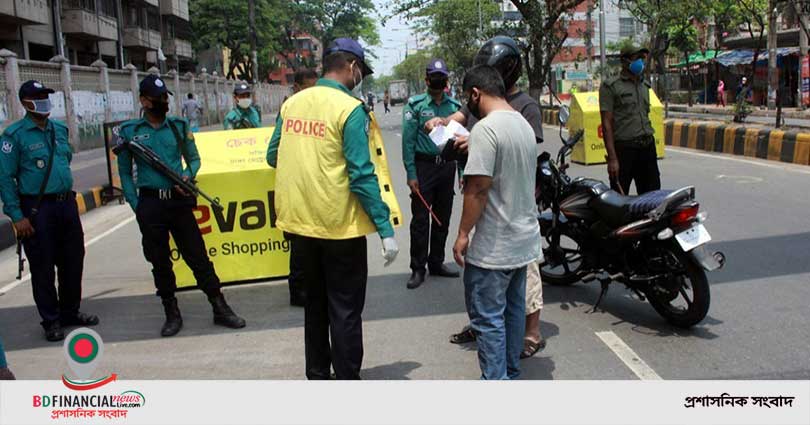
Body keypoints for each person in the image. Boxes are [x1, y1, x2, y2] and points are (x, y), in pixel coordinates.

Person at [266, 38, 399, 380]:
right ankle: (347, 380)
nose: (360, 78)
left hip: (300, 226)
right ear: (351, 66)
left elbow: (272, 156)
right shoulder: (349, 109)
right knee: (345, 309)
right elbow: (361, 174)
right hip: (340, 227)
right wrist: (385, 229)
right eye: (360, 72)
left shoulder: (292, 104)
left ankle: (318, 375)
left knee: (315, 305)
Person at [427, 36, 546, 359]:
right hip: (493, 211)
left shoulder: (525, 109)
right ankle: (503, 354)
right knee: (501, 298)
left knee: (511, 291)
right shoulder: (494, 110)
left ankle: (528, 335)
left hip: (510, 202)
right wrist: (442, 123)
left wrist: (462, 234)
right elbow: (459, 119)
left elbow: (488, 179)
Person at [116, 74, 246, 337]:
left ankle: (219, 306)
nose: (164, 102)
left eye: (166, 98)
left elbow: (195, 159)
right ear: (144, 100)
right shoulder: (130, 132)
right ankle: (171, 312)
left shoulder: (178, 125)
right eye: (158, 98)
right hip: (151, 203)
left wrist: (187, 176)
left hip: (179, 201)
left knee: (198, 256)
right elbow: (125, 174)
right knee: (160, 261)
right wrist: (135, 204)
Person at [452, 65, 541, 380]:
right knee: (514, 312)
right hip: (523, 243)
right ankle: (509, 375)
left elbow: (476, 189)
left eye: (468, 98)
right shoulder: (523, 125)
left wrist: (463, 234)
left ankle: (496, 382)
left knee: (488, 319)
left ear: (475, 94)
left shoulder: (486, 130)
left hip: (494, 249)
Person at [0, 80, 98, 342]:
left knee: (73, 259)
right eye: (38, 97)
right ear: (24, 103)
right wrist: (17, 216)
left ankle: (70, 312)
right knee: (43, 266)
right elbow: (5, 178)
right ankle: (51, 320)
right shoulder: (14, 137)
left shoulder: (59, 130)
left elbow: (65, 161)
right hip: (37, 209)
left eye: (46, 96)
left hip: (66, 204)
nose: (44, 101)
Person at [401, 57, 462, 290]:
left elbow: (460, 143)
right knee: (420, 220)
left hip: (446, 167)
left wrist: (462, 172)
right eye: (434, 77)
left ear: (446, 80)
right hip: (423, 167)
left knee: (442, 217)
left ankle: (436, 262)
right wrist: (411, 173)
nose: (438, 80)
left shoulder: (455, 108)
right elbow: (407, 142)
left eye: (442, 77)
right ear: (426, 80)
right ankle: (418, 268)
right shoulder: (415, 106)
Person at [600, 43, 660, 196]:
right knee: (618, 201)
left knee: (652, 200)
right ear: (625, 61)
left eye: (642, 57)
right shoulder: (611, 87)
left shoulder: (644, 85)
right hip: (624, 150)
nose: (641, 61)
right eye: (637, 57)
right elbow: (606, 124)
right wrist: (612, 159)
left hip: (647, 147)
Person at [284, 68, 319, 308]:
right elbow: (272, 153)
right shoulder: (289, 111)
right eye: (308, 88)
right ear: (296, 88)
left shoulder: (318, 111)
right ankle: (297, 292)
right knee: (299, 243)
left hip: (317, 187)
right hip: (296, 187)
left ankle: (313, 287)